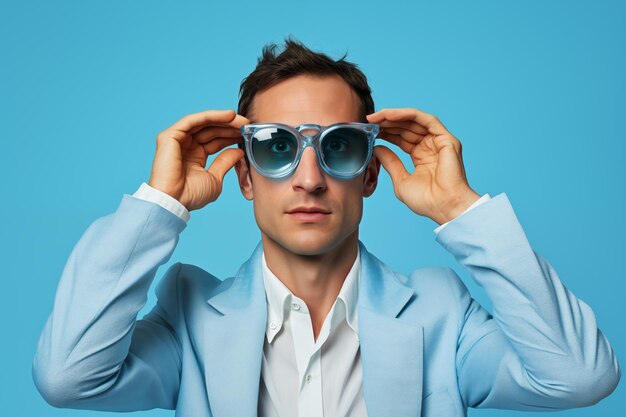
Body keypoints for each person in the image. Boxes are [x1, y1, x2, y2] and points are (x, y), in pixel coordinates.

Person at [32, 37, 620, 417]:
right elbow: (68, 378)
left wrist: (459, 209)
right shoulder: (190, 316)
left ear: (368, 175)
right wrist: (161, 203)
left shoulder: (442, 314)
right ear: (243, 176)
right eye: (274, 148)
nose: (308, 179)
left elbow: (579, 377)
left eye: (338, 147)